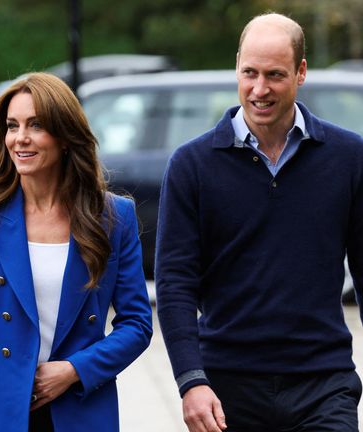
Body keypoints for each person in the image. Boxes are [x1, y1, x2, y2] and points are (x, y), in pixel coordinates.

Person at [156, 12, 363, 432]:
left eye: (275, 75)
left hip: (323, 381)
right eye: (249, 72)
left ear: (301, 72)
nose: (259, 89)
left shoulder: (349, 157)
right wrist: (190, 381)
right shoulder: (191, 165)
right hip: (226, 387)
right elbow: (175, 282)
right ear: (237, 66)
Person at [0, 72, 152, 432]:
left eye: (36, 125)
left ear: (65, 137)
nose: (20, 138)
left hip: (82, 407)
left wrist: (75, 370)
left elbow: (137, 324)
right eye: (12, 126)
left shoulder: (113, 217)